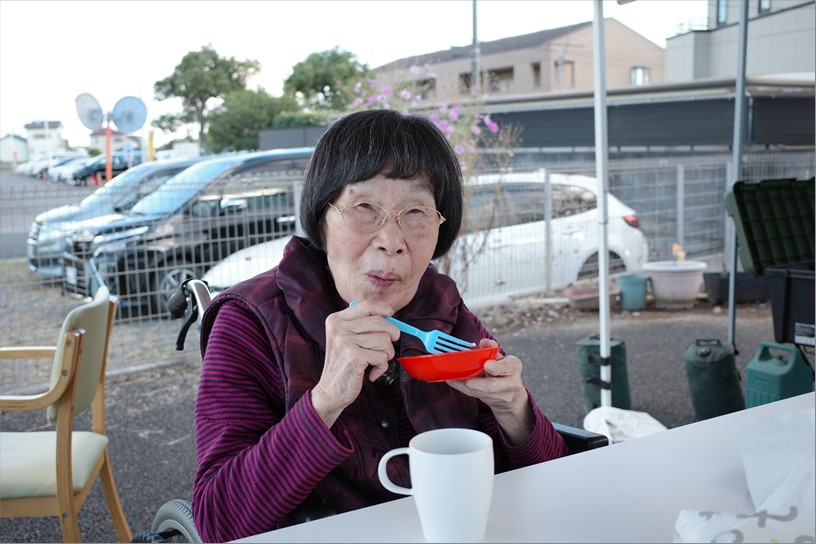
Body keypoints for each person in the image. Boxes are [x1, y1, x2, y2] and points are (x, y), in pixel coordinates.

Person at [192, 109, 569, 542]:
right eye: (365, 207)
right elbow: (217, 521)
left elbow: (554, 484)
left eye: (416, 211)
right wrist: (326, 399)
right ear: (322, 215)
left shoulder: (442, 309)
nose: (391, 242)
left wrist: (515, 411)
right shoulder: (249, 321)